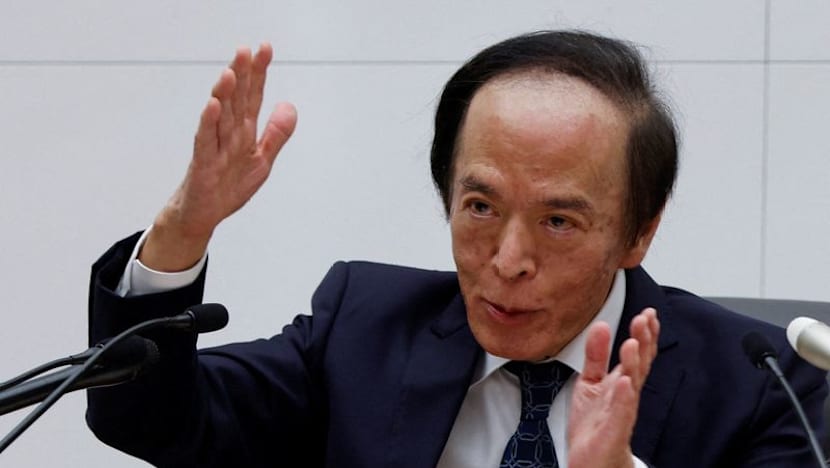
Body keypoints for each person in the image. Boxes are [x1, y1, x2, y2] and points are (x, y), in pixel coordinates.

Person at [86, 30, 827, 467]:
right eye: (480, 207)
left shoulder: (769, 382)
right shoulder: (364, 328)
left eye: (558, 221)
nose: (507, 260)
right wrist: (185, 228)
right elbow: (148, 418)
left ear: (640, 231)